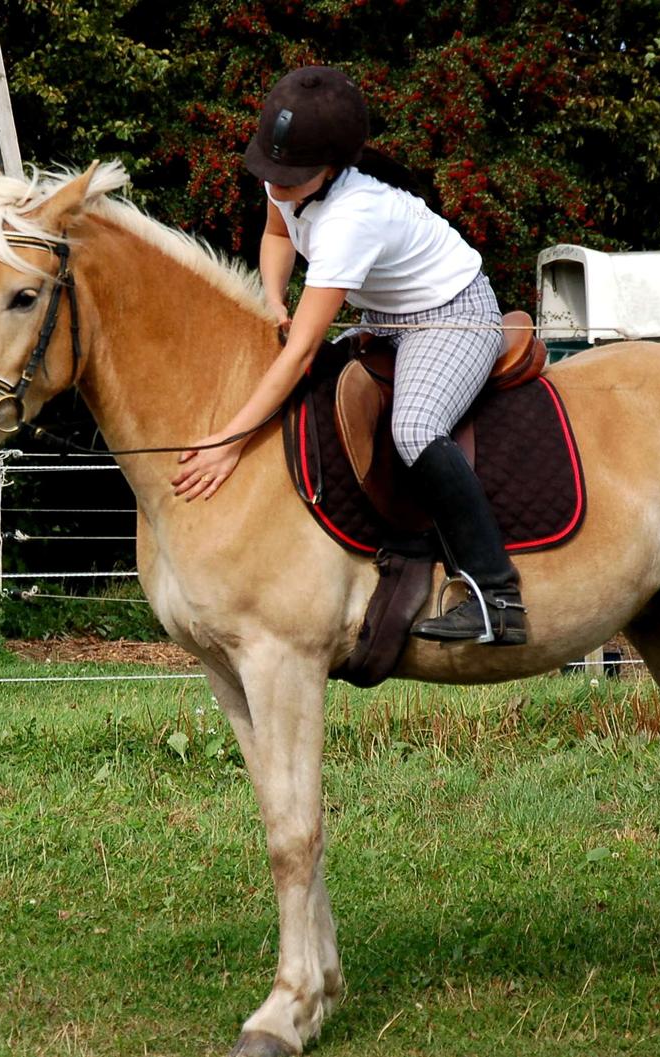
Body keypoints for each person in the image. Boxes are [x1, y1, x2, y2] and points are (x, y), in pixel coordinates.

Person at [171, 66, 525, 645]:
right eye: (273, 172)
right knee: (314, 401)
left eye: (289, 177)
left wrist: (228, 442)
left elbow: (304, 347)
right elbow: (278, 237)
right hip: (383, 320)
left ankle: (496, 595)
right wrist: (271, 300)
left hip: (453, 314)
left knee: (413, 429)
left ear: (330, 168)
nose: (276, 185)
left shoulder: (351, 219)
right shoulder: (288, 181)